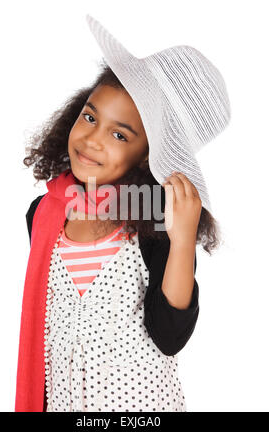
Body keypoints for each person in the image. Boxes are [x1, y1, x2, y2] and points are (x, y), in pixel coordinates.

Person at [15, 63, 222, 412]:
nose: (92, 140)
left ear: (148, 154)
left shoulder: (155, 223)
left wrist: (183, 238)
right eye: (90, 118)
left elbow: (169, 335)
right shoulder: (44, 213)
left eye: (120, 135)